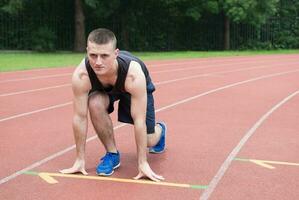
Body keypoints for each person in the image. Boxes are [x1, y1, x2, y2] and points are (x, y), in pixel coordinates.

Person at [60, 28, 167, 182]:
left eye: (104, 56)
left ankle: (160, 130)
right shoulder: (82, 75)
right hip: (105, 89)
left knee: (149, 140)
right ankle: (112, 154)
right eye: (93, 55)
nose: (98, 62)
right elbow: (79, 117)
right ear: (87, 51)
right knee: (94, 102)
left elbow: (139, 120)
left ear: (116, 53)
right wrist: (79, 159)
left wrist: (142, 163)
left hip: (130, 87)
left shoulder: (134, 75)